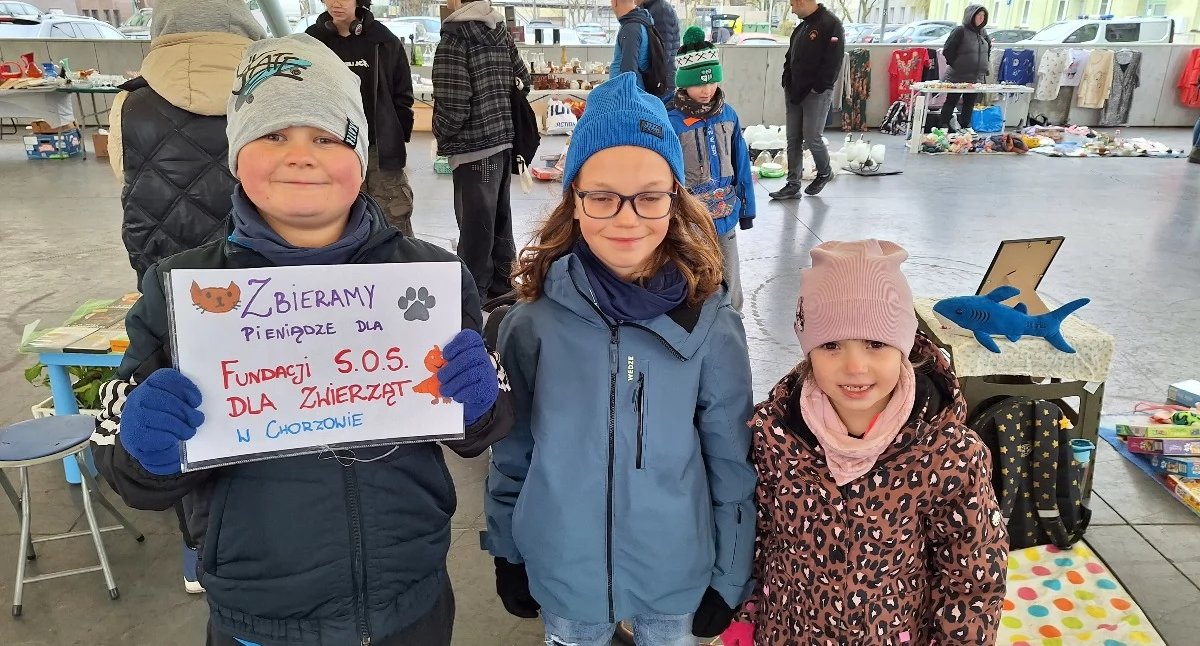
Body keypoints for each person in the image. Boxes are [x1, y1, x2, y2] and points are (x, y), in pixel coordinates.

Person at [89, 34, 513, 646]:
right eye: (272, 135)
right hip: (261, 614)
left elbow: (483, 425)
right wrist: (145, 448)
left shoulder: (430, 278)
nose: (300, 156)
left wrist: (480, 401)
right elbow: (123, 463)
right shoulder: (178, 290)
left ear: (360, 156)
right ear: (236, 154)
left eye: (325, 136)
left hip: (411, 599)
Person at [483, 72, 757, 646]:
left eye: (650, 196)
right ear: (574, 200)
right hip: (565, 571)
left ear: (676, 198)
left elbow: (731, 461)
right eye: (603, 196)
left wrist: (731, 574)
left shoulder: (711, 323)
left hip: (675, 571)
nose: (627, 217)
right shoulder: (530, 325)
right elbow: (514, 452)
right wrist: (508, 549)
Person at [745, 240, 1009, 645]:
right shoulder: (774, 436)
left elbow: (973, 573)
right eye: (831, 345)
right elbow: (756, 539)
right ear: (807, 349)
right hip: (789, 633)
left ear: (903, 346)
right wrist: (745, 615)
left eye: (875, 343)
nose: (855, 366)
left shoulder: (949, 454)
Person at [104, 0, 265, 595]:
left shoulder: (130, 101)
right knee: (262, 394)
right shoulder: (263, 89)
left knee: (180, 409)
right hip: (257, 271)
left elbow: (125, 184)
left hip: (168, 279)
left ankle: (199, 547)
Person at [433, 0, 532, 303]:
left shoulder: (454, 38)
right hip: (502, 146)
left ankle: (473, 297)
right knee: (499, 220)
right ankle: (505, 290)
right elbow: (523, 81)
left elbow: (454, 105)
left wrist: (441, 133)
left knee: (476, 226)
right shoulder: (500, 31)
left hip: (473, 152)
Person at [307, 0, 416, 235]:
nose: (336, 3)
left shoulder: (384, 41)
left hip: (379, 149)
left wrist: (396, 137)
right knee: (335, 219)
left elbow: (403, 97)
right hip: (330, 147)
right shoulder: (311, 42)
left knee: (393, 218)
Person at [667, 27, 755, 313]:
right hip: (688, 219)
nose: (706, 90)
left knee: (731, 280)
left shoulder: (728, 115)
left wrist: (747, 209)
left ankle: (733, 329)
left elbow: (742, 163)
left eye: (711, 81)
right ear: (683, 84)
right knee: (692, 278)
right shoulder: (672, 122)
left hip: (725, 216)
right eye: (698, 83)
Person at [769, 0, 843, 200]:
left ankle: (824, 171)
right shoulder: (802, 28)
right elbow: (790, 57)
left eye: (793, 4)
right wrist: (787, 80)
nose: (792, 9)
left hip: (816, 93)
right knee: (793, 139)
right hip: (794, 91)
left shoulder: (830, 24)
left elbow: (833, 61)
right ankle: (793, 184)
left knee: (812, 137)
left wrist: (818, 87)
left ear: (802, 2)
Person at [940, 5, 991, 131]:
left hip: (976, 76)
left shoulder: (983, 32)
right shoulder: (960, 31)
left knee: (969, 102)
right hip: (958, 75)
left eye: (983, 16)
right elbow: (948, 50)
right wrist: (956, 65)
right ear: (971, 16)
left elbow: (988, 49)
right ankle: (943, 125)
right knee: (952, 100)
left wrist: (984, 65)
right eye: (978, 15)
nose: (981, 18)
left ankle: (965, 126)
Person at [639, 0, 680, 100]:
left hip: (661, 84)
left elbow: (661, 53)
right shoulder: (652, 8)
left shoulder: (661, 10)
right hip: (659, 82)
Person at [610, 0, 654, 90]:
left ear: (614, 2)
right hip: (635, 91)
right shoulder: (640, 21)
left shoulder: (631, 28)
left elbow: (629, 72)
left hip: (626, 95)